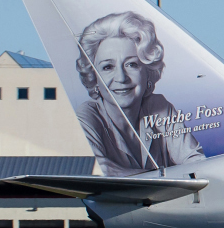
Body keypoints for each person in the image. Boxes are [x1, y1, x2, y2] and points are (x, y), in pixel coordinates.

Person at [74, 11, 204, 175]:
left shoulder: (159, 107)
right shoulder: (88, 115)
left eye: (132, 64)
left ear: (148, 72)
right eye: (108, 67)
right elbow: (103, 170)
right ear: (94, 78)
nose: (121, 78)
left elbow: (196, 162)